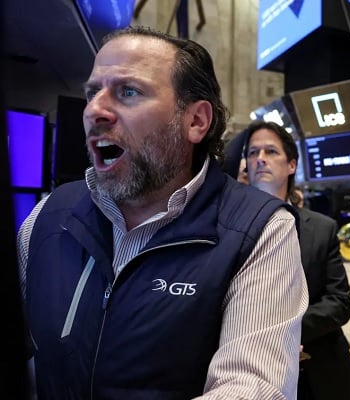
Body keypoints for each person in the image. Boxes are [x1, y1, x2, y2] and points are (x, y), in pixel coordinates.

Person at [16, 26, 308, 399]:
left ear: (196, 121)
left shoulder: (259, 229)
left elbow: (252, 388)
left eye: (129, 92)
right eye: (93, 93)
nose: (95, 110)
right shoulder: (49, 216)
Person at [242, 120, 350, 400]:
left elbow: (339, 301)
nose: (260, 159)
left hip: (322, 370)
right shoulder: (226, 231)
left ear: (292, 165)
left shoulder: (321, 229)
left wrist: (286, 334)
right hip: (253, 373)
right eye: (252, 153)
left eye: (271, 152)